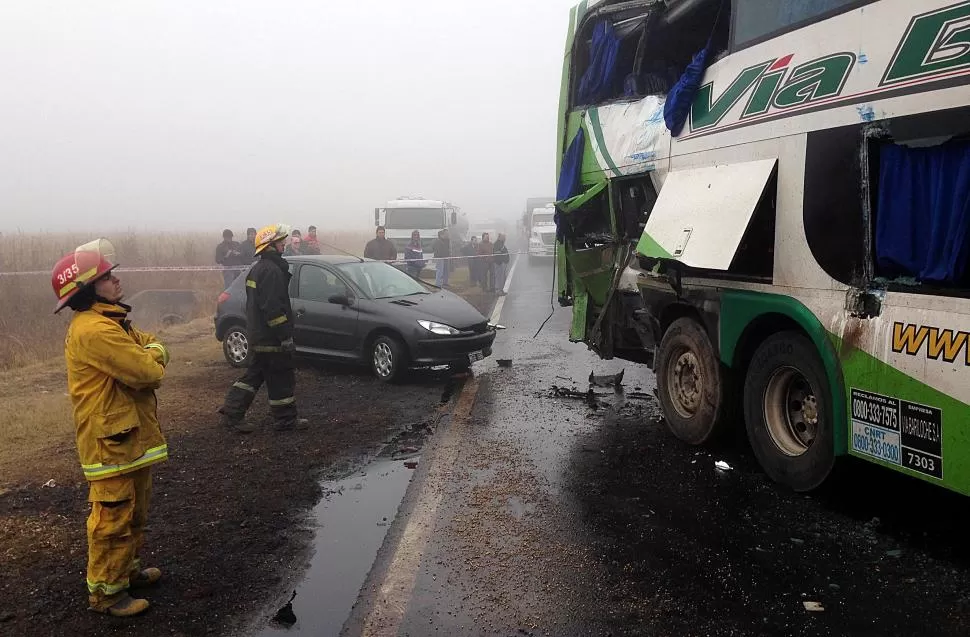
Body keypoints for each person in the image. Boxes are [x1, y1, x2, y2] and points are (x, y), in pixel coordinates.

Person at [52, 239, 170, 618]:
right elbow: (148, 370)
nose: (115, 280)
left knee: (134, 512)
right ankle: (106, 594)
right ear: (87, 289)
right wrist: (152, 356)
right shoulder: (95, 331)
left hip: (128, 438)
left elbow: (148, 346)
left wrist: (150, 352)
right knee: (111, 520)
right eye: (105, 276)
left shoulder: (111, 321)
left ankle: (126, 572)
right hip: (110, 444)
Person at [219, 224, 308, 434]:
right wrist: (285, 336)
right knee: (281, 377)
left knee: (254, 376)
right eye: (280, 241)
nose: (284, 244)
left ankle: (232, 411)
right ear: (270, 245)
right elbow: (273, 309)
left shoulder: (259, 269)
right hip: (271, 339)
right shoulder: (271, 271)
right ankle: (286, 420)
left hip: (259, 334)